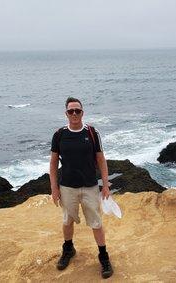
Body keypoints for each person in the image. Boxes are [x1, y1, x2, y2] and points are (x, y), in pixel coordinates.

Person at [49, 97, 113, 279]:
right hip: (67, 187)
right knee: (67, 220)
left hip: (90, 187)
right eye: (71, 111)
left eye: (77, 110)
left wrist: (105, 185)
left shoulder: (92, 132)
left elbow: (101, 159)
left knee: (96, 223)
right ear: (66, 114)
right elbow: (53, 163)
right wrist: (54, 188)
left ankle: (104, 256)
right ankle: (68, 249)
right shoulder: (59, 134)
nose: (74, 114)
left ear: (82, 113)